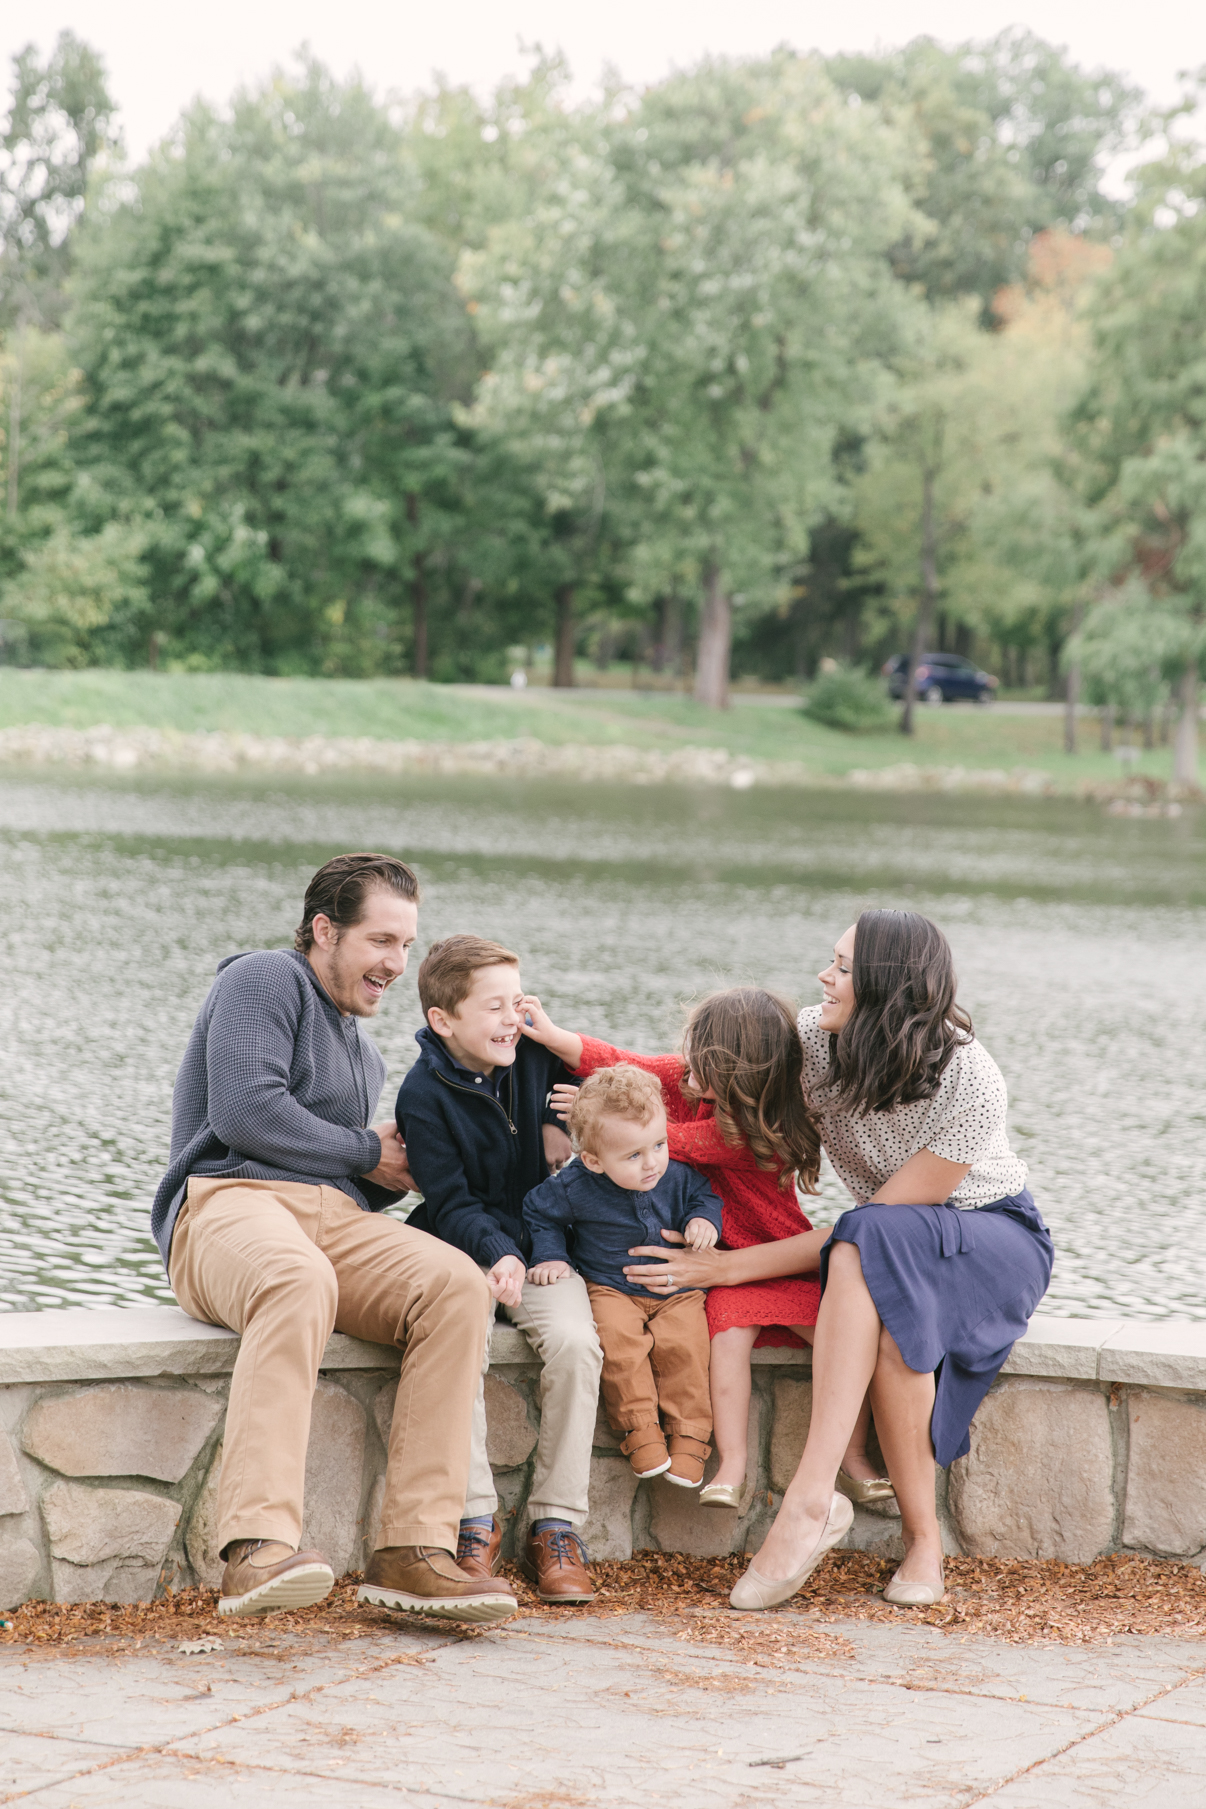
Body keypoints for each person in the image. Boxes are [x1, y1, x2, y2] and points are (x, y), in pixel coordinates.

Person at [622, 910, 1054, 1613]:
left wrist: (729, 1270)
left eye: (844, 968)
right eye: (832, 960)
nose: (824, 977)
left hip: (990, 1239)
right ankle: (923, 1541)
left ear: (889, 988)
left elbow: (884, 1221)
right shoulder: (816, 1041)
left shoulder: (969, 1080)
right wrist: (606, 1094)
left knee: (866, 1234)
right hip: (882, 1241)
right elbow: (711, 1070)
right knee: (890, 1339)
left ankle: (809, 1498)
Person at [154, 853, 517, 1625]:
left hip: (332, 1218)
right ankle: (255, 1547)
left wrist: (394, 1169)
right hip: (226, 1205)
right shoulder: (261, 979)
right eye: (381, 940)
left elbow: (343, 1170)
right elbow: (247, 1115)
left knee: (455, 1285)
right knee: (296, 1278)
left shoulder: (364, 1048)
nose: (396, 963)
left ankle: (413, 1552)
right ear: (325, 930)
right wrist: (365, 1151)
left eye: (407, 946)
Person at [524, 988, 887, 1510]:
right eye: (694, 1048)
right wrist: (557, 1037)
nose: (688, 1063)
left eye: (705, 1059)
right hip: (710, 1262)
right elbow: (628, 1063)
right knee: (726, 1332)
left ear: (741, 1074)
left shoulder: (759, 1129)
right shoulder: (690, 1080)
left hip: (773, 1253)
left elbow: (666, 1139)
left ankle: (852, 1457)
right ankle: (731, 1462)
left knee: (840, 1336)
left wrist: (600, 1123)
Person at [395, 937, 602, 1604]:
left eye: (517, 1002)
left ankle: (556, 1524)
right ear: (443, 1020)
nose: (511, 1019)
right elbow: (448, 1200)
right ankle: (474, 1519)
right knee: (465, 1341)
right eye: (494, 1007)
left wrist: (553, 1117)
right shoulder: (423, 1093)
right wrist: (496, 1252)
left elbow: (602, 1083)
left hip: (544, 1240)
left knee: (575, 1344)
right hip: (460, 1244)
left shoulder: (538, 1056)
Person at [523, 1065, 724, 1486]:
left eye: (658, 1145)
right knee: (619, 1346)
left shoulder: (676, 1175)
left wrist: (704, 1221)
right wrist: (551, 1255)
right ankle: (640, 1431)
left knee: (685, 1346)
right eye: (634, 1155)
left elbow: (704, 1197)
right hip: (610, 1287)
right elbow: (539, 1212)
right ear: (594, 1160)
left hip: (675, 1290)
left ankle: (689, 1436)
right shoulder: (574, 1185)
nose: (652, 1163)